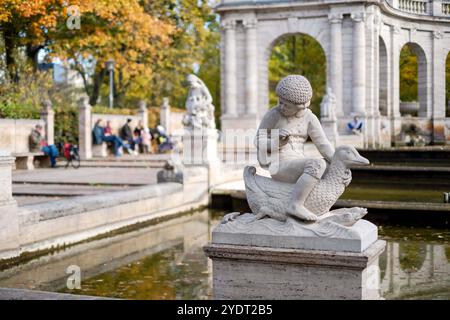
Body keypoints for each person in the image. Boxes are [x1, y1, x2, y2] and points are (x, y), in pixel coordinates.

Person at [255, 75, 337, 222]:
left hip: (298, 162)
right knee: (317, 164)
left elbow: (323, 144)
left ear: (301, 106)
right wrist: (277, 141)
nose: (281, 106)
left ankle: (315, 205)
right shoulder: (274, 114)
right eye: (280, 102)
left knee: (332, 166)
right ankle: (295, 205)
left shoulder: (310, 118)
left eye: (286, 105)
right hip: (279, 164)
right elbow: (258, 140)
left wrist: (338, 164)